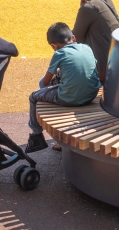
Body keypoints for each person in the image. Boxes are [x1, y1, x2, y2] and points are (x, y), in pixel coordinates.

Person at [25, 22, 101, 153]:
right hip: (91, 94)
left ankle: (36, 135)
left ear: (54, 46)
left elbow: (45, 81)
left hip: (69, 99)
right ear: (73, 38)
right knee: (62, 83)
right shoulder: (86, 47)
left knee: (34, 96)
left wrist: (47, 86)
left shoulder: (59, 54)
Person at [72, 0, 119, 85]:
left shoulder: (89, 7)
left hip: (99, 73)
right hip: (115, 67)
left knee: (44, 83)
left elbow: (75, 41)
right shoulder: (106, 0)